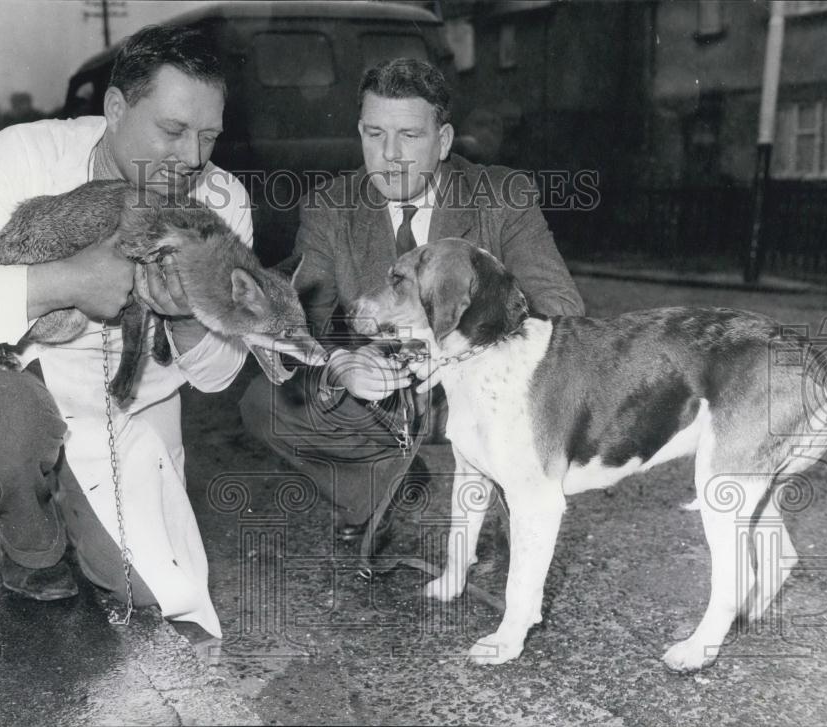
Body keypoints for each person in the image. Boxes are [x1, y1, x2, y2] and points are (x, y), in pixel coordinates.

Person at [0, 25, 253, 638]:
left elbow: (217, 376)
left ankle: (78, 512)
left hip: (120, 419)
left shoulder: (221, 202)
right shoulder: (19, 156)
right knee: (5, 417)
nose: (192, 158)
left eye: (208, 136)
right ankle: (31, 545)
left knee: (165, 595)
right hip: (6, 378)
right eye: (172, 130)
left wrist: (186, 317)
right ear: (114, 108)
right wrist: (66, 281)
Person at [240, 58, 584, 542]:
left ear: (442, 141)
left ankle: (502, 486)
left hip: (483, 394)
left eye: (410, 136)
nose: (390, 155)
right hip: (384, 404)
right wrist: (341, 362)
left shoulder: (502, 196)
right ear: (359, 132)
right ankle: (384, 491)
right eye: (375, 134)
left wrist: (446, 348)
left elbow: (563, 314)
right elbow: (292, 329)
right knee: (266, 401)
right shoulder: (330, 207)